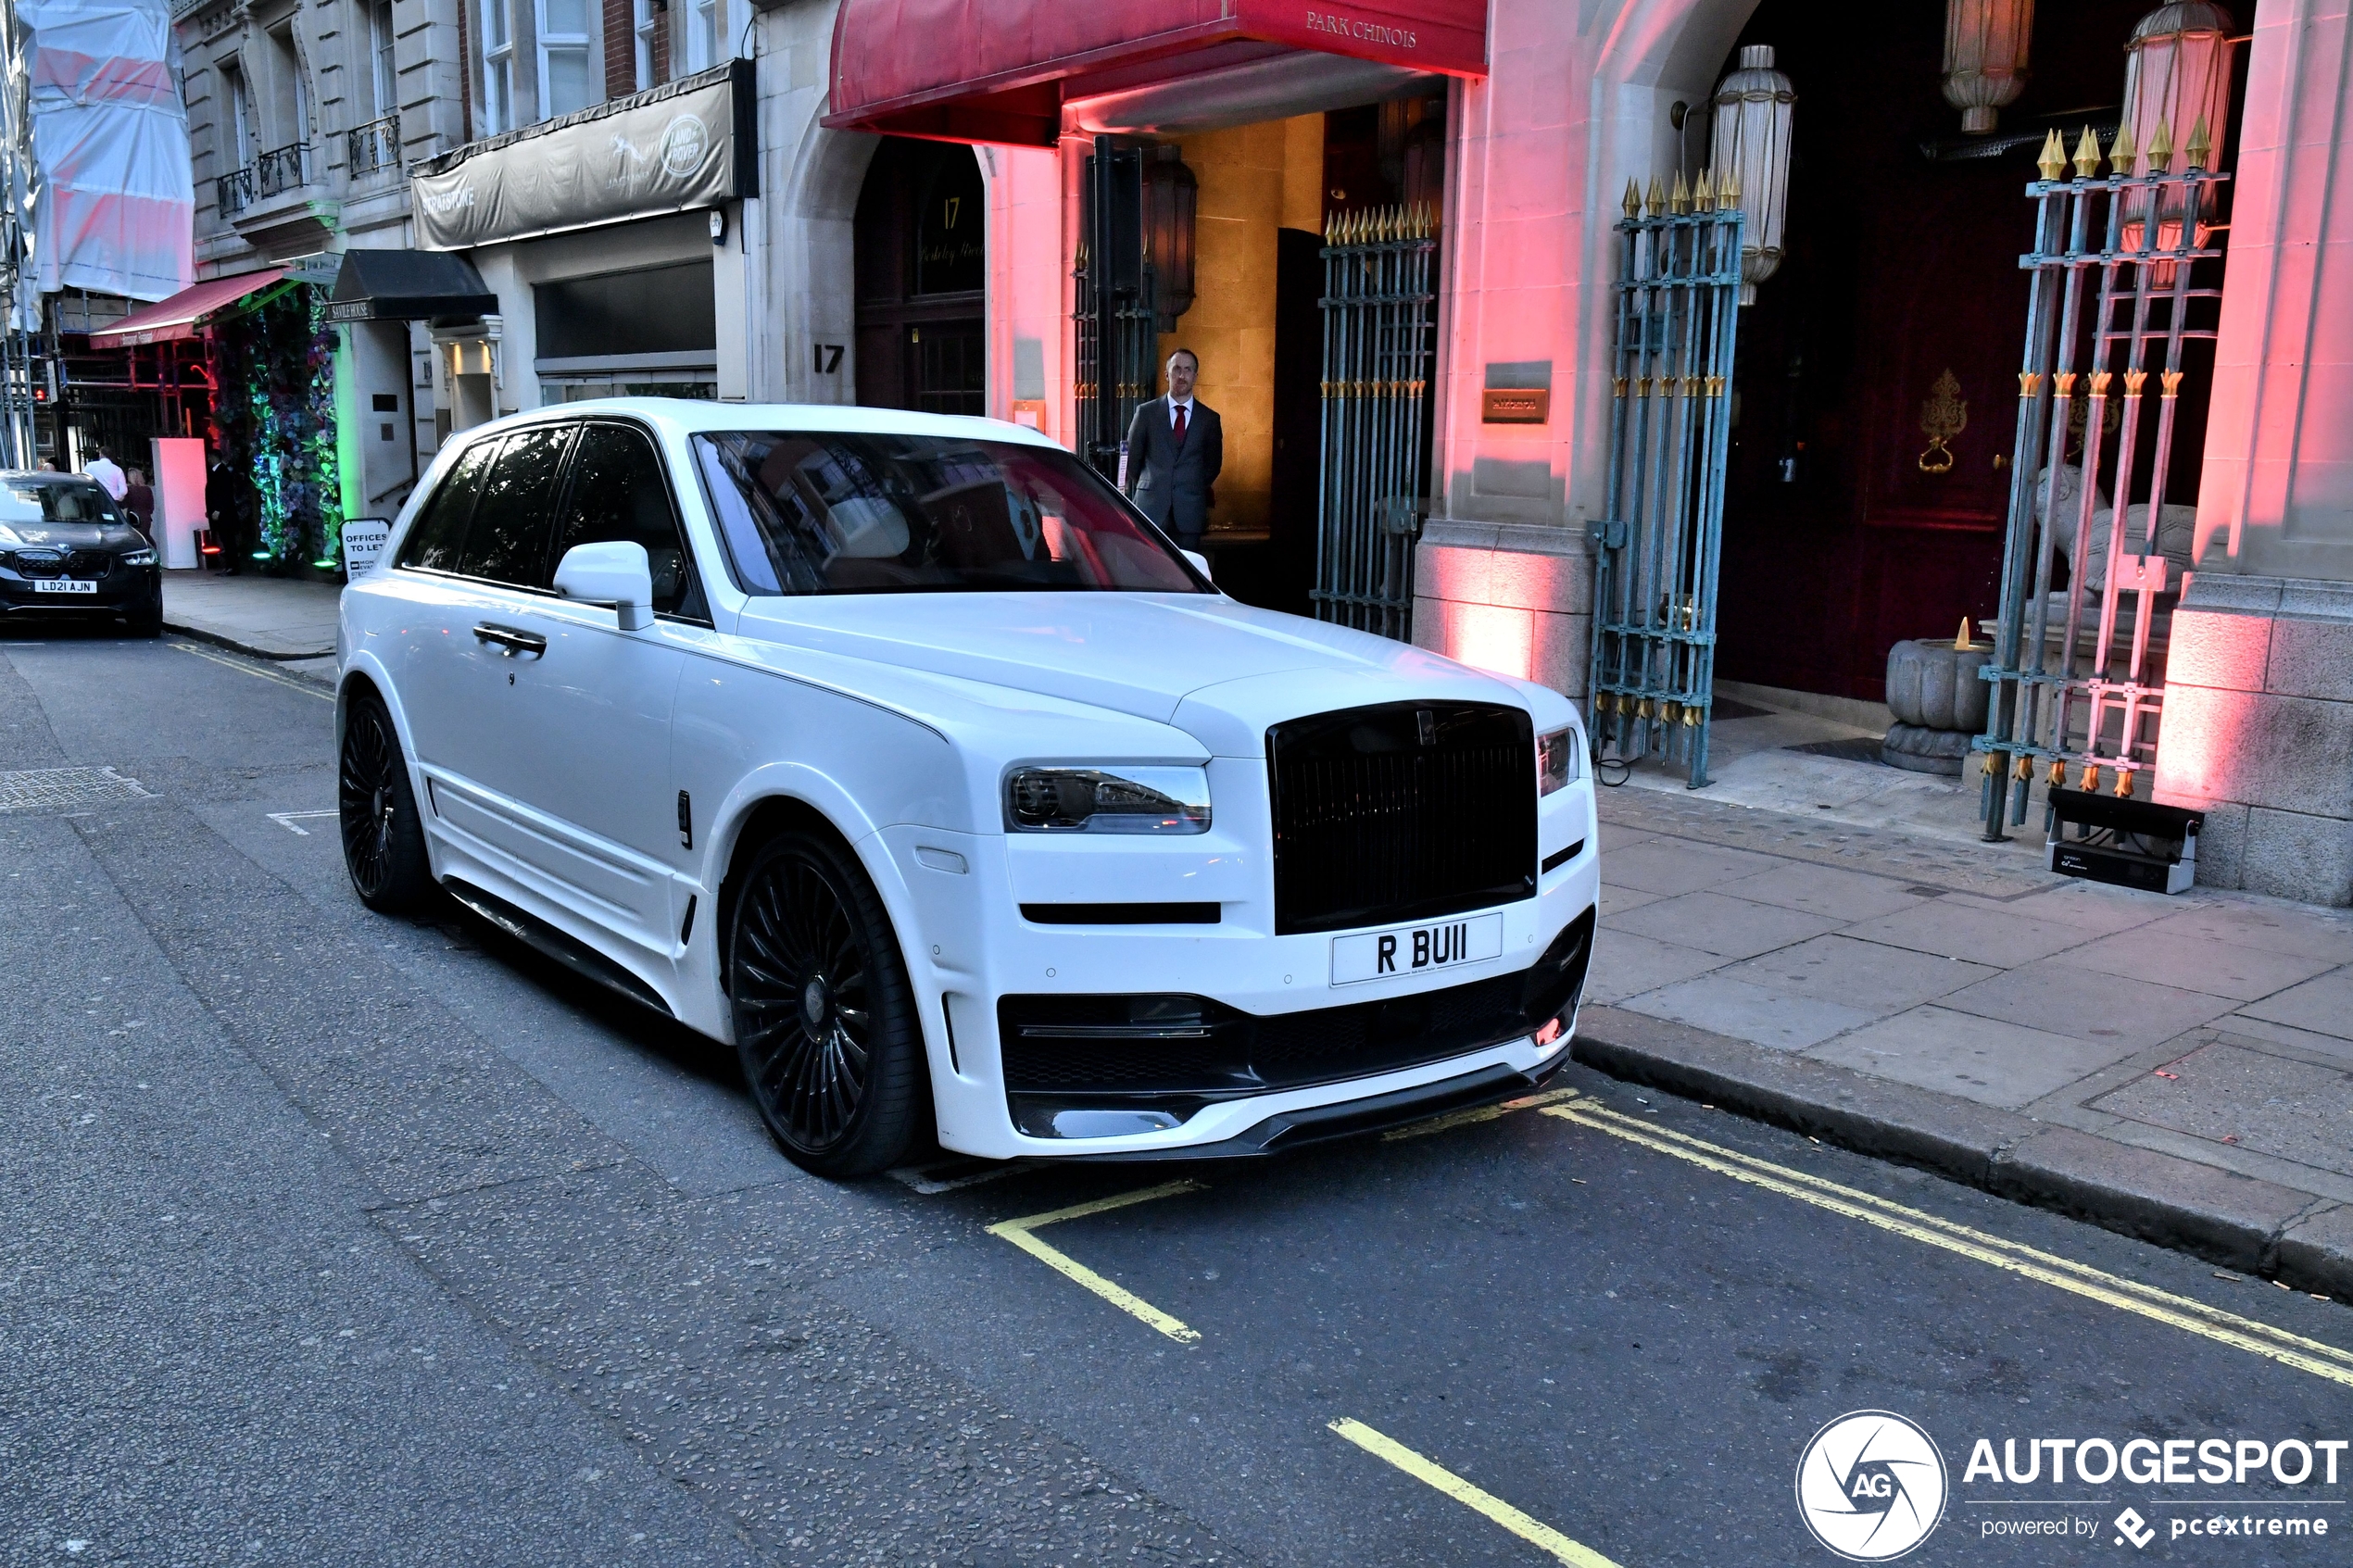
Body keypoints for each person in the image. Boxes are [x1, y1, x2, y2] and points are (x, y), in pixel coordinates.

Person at [1121, 347, 1223, 552]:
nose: (1182, 375)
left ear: (1195, 376)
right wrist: (1154, 484)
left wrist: (1189, 484)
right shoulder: (1146, 413)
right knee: (1147, 570)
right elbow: (1132, 461)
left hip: (1189, 514)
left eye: (1187, 370)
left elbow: (1213, 465)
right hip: (1150, 510)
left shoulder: (1209, 419)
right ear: (1167, 374)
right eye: (1176, 369)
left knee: (1186, 578)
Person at [205, 433, 256, 573]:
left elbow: (224, 493)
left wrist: (218, 510)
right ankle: (229, 565)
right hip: (219, 511)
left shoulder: (222, 472)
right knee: (225, 539)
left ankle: (233, 566)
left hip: (224, 513)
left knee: (228, 539)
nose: (208, 460)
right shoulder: (217, 472)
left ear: (214, 458)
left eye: (210, 457)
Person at [121, 466, 156, 537]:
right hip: (146, 518)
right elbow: (151, 507)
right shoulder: (147, 490)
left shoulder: (129, 490)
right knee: (146, 536)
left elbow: (124, 504)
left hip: (133, 517)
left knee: (135, 538)